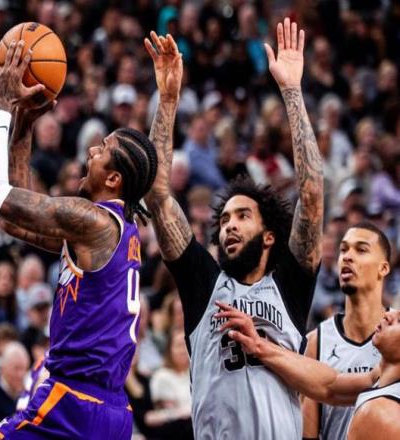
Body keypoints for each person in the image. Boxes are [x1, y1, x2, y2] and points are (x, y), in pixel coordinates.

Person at [143, 20, 323, 438]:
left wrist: (292, 92)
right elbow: (157, 194)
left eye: (243, 216)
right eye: (223, 220)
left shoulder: (289, 286)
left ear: (270, 235)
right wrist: (167, 100)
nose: (229, 226)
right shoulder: (204, 283)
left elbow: (312, 194)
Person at [0, 38, 157, 439]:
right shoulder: (115, 232)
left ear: (114, 179)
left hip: (73, 403)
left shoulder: (92, 221)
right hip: (112, 411)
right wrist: (25, 125)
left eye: (103, 149)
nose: (92, 150)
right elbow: (15, 224)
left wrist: (2, 103)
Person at [216, 307, 400, 440]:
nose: (388, 314)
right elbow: (330, 385)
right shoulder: (380, 378)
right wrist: (259, 346)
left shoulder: (378, 414)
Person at [302, 222, 391, 440]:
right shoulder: (317, 342)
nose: (347, 257)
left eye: (361, 250)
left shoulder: (396, 333)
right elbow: (308, 435)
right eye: (343, 250)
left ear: (383, 268)